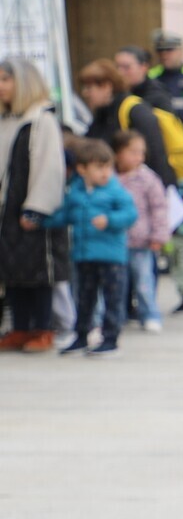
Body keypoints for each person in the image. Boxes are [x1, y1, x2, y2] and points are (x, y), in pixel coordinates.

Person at [47, 135, 137, 356]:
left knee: (112, 300)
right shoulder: (75, 192)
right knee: (84, 299)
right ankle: (81, 336)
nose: (105, 173)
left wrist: (110, 220)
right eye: (99, 167)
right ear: (82, 169)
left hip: (112, 257)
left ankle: (110, 339)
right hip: (84, 256)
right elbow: (64, 215)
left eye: (108, 167)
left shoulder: (115, 190)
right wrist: (42, 221)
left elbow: (130, 214)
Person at [0, 56, 66, 351]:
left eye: (6, 79)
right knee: (12, 270)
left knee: (38, 271)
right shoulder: (7, 120)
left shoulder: (42, 120)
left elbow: (50, 167)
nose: (1, 86)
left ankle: (42, 328)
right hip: (7, 208)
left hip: (31, 208)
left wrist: (37, 208)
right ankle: (20, 328)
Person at [110, 128, 170, 333]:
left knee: (144, 282)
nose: (139, 157)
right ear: (118, 153)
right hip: (114, 241)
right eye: (133, 152)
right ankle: (115, 317)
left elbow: (159, 208)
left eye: (141, 152)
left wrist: (158, 235)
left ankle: (150, 314)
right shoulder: (109, 177)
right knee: (116, 284)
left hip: (141, 242)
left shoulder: (148, 178)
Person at [75, 59, 172, 185]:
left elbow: (157, 156)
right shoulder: (103, 113)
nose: (85, 93)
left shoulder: (135, 111)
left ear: (106, 87)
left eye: (89, 88)